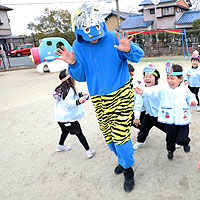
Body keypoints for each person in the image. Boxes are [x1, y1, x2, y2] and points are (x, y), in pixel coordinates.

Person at [54, 3, 144, 192]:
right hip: (99, 99)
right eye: (87, 29)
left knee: (120, 136)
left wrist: (128, 50)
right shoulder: (78, 46)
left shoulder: (113, 37)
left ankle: (128, 170)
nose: (93, 33)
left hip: (121, 95)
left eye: (95, 26)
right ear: (79, 29)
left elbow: (137, 56)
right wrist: (73, 63)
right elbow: (81, 76)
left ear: (100, 24)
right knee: (109, 138)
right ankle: (122, 160)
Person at [138, 62, 197, 160]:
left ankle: (185, 143)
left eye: (172, 78)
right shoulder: (163, 89)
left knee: (182, 138)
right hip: (168, 119)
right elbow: (153, 91)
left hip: (182, 118)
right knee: (170, 138)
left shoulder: (184, 89)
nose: (169, 81)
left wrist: (192, 101)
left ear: (180, 79)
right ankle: (170, 151)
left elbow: (191, 96)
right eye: (168, 78)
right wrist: (143, 91)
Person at [54, 69, 95, 158]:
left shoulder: (59, 88)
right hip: (68, 118)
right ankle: (88, 151)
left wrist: (80, 94)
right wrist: (78, 102)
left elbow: (66, 98)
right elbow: (68, 103)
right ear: (69, 80)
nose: (75, 79)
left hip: (59, 117)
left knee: (64, 131)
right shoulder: (70, 90)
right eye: (73, 77)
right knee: (79, 133)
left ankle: (60, 146)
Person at [133, 63, 166, 150]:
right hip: (149, 115)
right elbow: (138, 103)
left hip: (160, 115)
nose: (147, 78)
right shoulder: (141, 89)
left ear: (156, 78)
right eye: (145, 76)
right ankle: (140, 142)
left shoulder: (161, 88)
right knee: (143, 129)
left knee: (168, 129)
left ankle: (177, 140)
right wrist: (137, 117)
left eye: (150, 76)